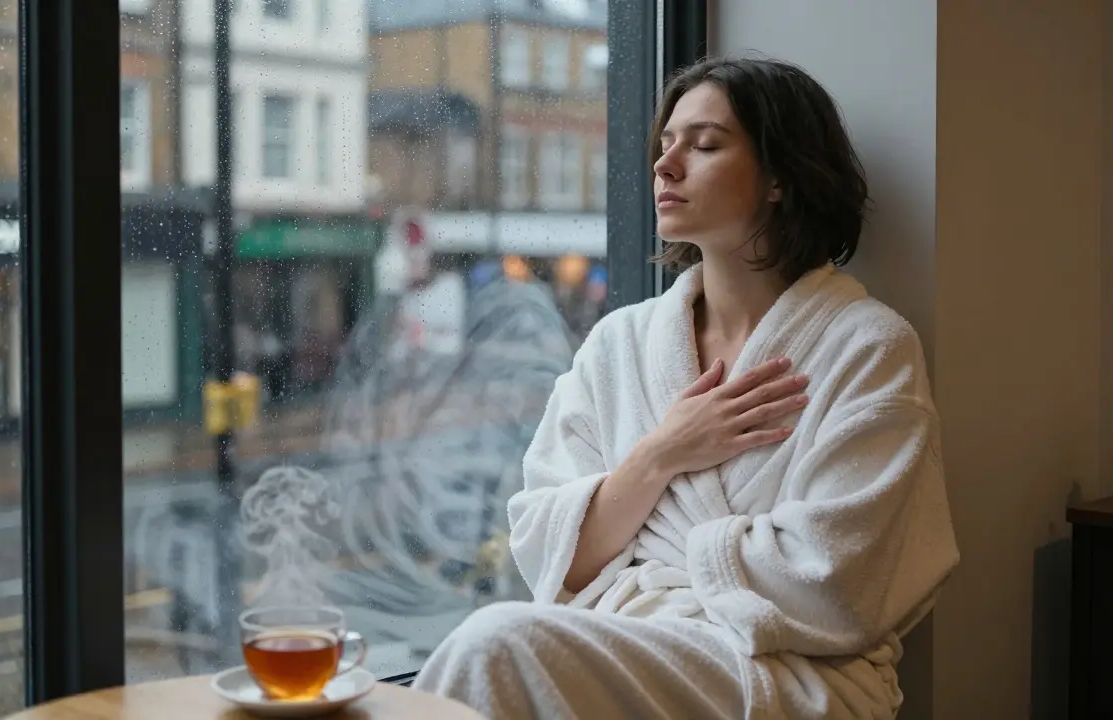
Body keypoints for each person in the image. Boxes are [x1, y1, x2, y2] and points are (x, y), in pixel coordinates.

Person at [410, 56, 960, 720]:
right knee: (493, 647)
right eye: (666, 144)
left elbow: (843, 582)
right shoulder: (620, 343)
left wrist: (655, 540)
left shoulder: (867, 348)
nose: (665, 166)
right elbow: (552, 554)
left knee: (494, 643)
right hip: (638, 643)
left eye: (704, 145)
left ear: (781, 177)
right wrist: (662, 452)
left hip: (790, 672)